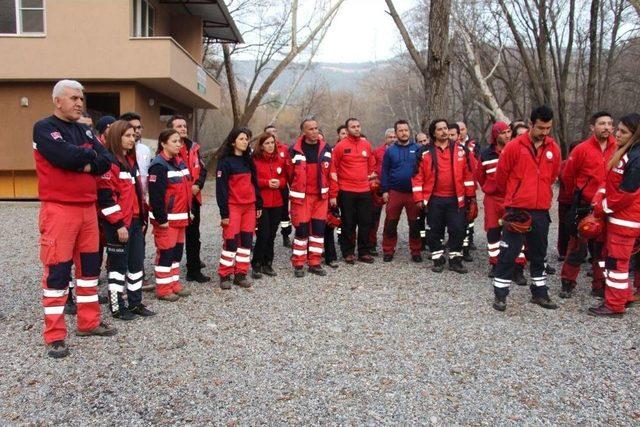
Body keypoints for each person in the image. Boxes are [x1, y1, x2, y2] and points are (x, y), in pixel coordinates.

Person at [33, 79, 117, 358]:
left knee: (90, 270)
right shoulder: (45, 128)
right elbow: (63, 156)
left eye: (81, 99)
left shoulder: (85, 130)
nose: (79, 103)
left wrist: (85, 161)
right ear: (57, 101)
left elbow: (107, 158)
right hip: (59, 209)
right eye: (73, 98)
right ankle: (55, 335)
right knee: (57, 272)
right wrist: (87, 160)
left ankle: (89, 322)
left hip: (88, 209)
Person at [492, 106, 561, 312]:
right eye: (540, 127)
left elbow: (553, 175)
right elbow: (501, 178)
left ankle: (540, 293)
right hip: (517, 210)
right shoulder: (514, 147)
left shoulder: (553, 148)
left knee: (539, 254)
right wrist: (518, 194)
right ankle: (501, 295)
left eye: (548, 128)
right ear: (531, 124)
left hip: (541, 210)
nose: (544, 132)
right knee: (509, 253)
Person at [97, 120, 155, 319]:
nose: (132, 139)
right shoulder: (109, 162)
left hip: (136, 222)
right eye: (128, 136)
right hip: (119, 225)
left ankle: (135, 303)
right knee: (118, 268)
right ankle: (116, 306)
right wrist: (118, 224)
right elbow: (106, 198)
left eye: (133, 136)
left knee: (136, 264)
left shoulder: (130, 162)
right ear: (116, 136)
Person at [559, 112, 616, 299]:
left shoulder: (618, 148)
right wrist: (578, 195)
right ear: (592, 127)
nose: (606, 127)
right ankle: (567, 282)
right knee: (577, 247)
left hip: (608, 207)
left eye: (609, 123)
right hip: (584, 206)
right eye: (602, 123)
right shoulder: (582, 149)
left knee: (601, 250)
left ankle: (599, 285)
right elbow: (567, 175)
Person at [589, 113, 640, 317]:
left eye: (623, 132)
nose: (616, 134)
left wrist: (603, 206)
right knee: (614, 260)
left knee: (617, 263)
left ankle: (615, 305)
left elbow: (627, 193)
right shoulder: (628, 153)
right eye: (617, 130)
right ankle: (622, 295)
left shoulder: (635, 158)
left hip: (625, 220)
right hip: (620, 218)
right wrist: (601, 195)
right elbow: (612, 183)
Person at [412, 119, 476, 274]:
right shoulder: (424, 152)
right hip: (434, 199)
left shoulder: (461, 150)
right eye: (439, 129)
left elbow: (468, 175)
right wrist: (419, 198)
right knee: (434, 230)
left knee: (458, 229)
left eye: (445, 128)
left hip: (456, 199)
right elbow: (417, 177)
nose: (444, 131)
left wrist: (470, 197)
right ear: (433, 133)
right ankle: (438, 259)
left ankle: (455, 260)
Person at [476, 122, 526, 284]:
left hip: (512, 198)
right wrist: (489, 188)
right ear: (495, 135)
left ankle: (518, 268)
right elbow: (480, 176)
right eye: (503, 132)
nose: (507, 135)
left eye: (508, 132)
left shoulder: (517, 150)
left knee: (516, 232)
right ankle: (495, 263)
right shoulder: (486, 154)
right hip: (492, 199)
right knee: (493, 232)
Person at [148, 129, 193, 301]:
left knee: (176, 254)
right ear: (163, 143)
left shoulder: (179, 162)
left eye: (179, 141)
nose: (178, 144)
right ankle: (164, 289)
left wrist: (190, 213)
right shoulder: (159, 165)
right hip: (167, 220)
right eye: (174, 141)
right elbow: (156, 196)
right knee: (165, 254)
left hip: (180, 218)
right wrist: (161, 219)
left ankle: (174, 284)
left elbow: (186, 191)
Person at [215, 128, 263, 289]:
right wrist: (224, 213)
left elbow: (255, 184)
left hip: (249, 207)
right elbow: (221, 190)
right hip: (233, 207)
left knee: (247, 241)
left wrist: (258, 203)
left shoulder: (248, 161)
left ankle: (241, 274)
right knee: (230, 242)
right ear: (233, 141)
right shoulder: (225, 162)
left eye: (247, 139)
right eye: (242, 138)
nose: (245, 141)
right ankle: (225, 275)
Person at [168, 115, 210, 283]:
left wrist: (198, 185)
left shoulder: (194, 148)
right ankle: (168, 272)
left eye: (184, 125)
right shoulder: (167, 151)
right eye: (179, 126)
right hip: (176, 201)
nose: (183, 128)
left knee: (194, 235)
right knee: (173, 238)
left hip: (193, 199)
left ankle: (193, 269)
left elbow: (203, 170)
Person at [289, 118, 333, 277]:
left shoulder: (326, 148)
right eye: (311, 129)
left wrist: (331, 195)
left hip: (321, 197)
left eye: (316, 128)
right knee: (301, 232)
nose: (314, 131)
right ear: (303, 132)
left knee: (318, 231)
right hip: (302, 198)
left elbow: (331, 173)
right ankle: (299, 264)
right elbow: (290, 174)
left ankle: (314, 263)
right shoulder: (294, 149)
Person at [330, 118, 376, 264]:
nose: (356, 129)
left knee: (365, 222)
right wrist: (335, 191)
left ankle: (364, 251)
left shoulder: (366, 145)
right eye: (353, 127)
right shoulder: (340, 146)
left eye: (358, 126)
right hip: (346, 190)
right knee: (348, 222)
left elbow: (371, 166)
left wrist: (370, 181)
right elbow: (333, 169)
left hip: (364, 190)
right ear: (347, 129)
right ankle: (348, 252)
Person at [120, 112, 153, 291]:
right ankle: (118, 274)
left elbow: (146, 176)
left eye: (139, 128)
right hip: (124, 203)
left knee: (139, 240)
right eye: (132, 129)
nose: (136, 132)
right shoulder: (117, 154)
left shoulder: (145, 150)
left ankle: (137, 274)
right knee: (121, 242)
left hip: (141, 201)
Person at [380, 120, 421, 262]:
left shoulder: (417, 149)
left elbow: (423, 171)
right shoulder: (390, 150)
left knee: (415, 223)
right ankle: (388, 250)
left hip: (413, 193)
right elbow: (384, 171)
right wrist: (384, 190)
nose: (404, 133)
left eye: (406, 130)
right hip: (395, 192)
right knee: (391, 222)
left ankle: (416, 251)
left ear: (409, 131)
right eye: (400, 130)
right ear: (396, 133)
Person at [251, 132, 287, 278]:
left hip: (277, 202)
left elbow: (285, 178)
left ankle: (268, 263)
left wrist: (280, 183)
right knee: (263, 234)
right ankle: (257, 263)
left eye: (272, 142)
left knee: (271, 235)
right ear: (261, 145)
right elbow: (251, 180)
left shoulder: (279, 159)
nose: (270, 146)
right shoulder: (254, 160)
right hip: (262, 203)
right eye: (267, 143)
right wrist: (266, 183)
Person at [265, 125, 293, 248]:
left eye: (274, 131)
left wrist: (289, 184)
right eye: (270, 133)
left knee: (284, 214)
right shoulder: (260, 151)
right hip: (266, 189)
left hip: (282, 187)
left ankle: (285, 235)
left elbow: (289, 170)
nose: (273, 134)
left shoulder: (284, 149)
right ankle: (265, 236)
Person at [323, 125, 347, 269]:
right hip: (314, 195)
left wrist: (333, 194)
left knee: (331, 224)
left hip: (334, 192)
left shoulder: (329, 153)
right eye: (342, 133)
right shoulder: (331, 151)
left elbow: (333, 176)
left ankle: (331, 255)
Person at [370, 128, 395, 255]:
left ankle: (389, 245)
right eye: (390, 137)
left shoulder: (401, 151)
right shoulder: (377, 152)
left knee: (391, 219)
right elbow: (373, 168)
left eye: (394, 137)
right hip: (378, 189)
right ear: (386, 139)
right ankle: (371, 244)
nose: (393, 139)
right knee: (374, 218)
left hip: (395, 189)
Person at [557, 141, 581, 261]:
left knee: (580, 227)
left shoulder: (585, 164)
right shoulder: (564, 164)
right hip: (565, 200)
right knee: (564, 225)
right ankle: (563, 250)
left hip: (580, 201)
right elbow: (562, 177)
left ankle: (579, 251)